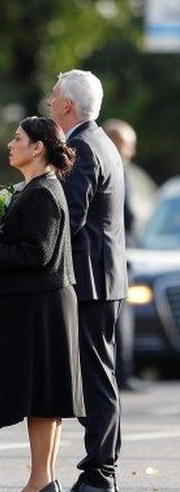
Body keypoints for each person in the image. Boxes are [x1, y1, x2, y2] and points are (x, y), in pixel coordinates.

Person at [0, 116, 84, 492]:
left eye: (18, 139)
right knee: (44, 397)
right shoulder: (33, 189)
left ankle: (40, 481)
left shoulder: (43, 192)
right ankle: (43, 481)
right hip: (37, 305)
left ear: (37, 148)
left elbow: (37, 254)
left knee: (42, 397)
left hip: (40, 308)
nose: (10, 145)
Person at [49, 70, 128, 492]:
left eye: (53, 96)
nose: (48, 100)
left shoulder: (80, 146)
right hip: (103, 277)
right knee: (101, 375)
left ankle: (101, 473)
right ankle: (101, 471)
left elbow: (71, 215)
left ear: (67, 106)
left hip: (91, 280)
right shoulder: (101, 141)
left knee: (97, 378)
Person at [103, 119, 154, 393]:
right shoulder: (118, 168)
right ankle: (122, 373)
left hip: (114, 254)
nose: (131, 151)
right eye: (128, 144)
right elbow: (129, 216)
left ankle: (121, 373)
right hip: (118, 254)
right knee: (121, 318)